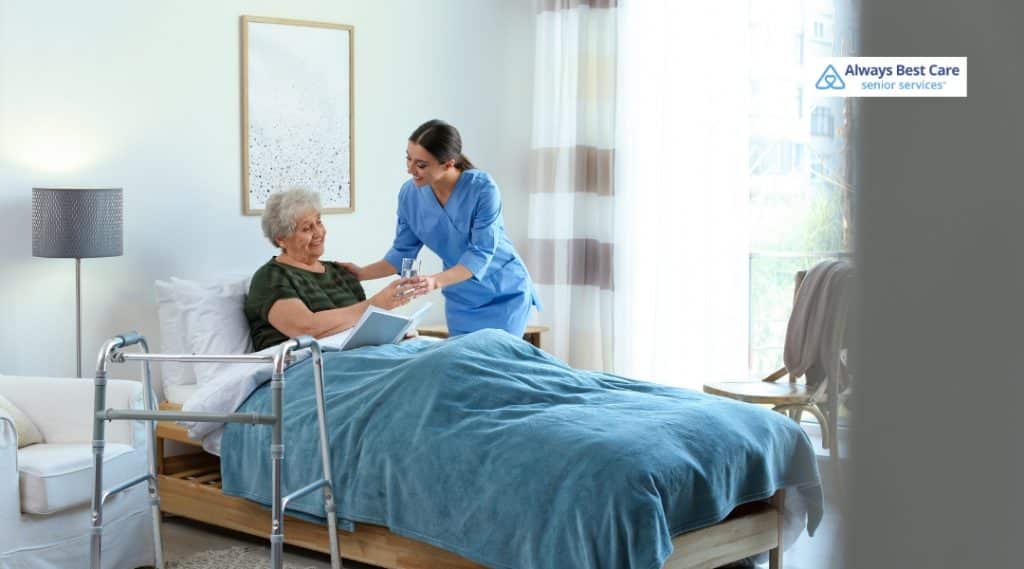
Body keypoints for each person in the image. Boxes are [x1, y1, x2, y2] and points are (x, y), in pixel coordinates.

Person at [340, 119, 540, 337]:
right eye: (408, 159)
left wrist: (434, 281)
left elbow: (480, 253)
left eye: (421, 165)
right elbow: (403, 253)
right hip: (461, 297)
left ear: (448, 164)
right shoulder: (410, 195)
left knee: (497, 355)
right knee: (462, 357)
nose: (410, 169)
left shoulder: (482, 188)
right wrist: (361, 273)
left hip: (504, 293)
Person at [245, 188, 413, 351]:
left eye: (318, 222)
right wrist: (377, 304)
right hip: (307, 363)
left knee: (425, 353)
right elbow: (307, 328)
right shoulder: (270, 277)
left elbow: (361, 327)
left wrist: (394, 333)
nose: (318, 233)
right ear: (281, 239)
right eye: (306, 228)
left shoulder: (340, 272)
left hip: (357, 356)